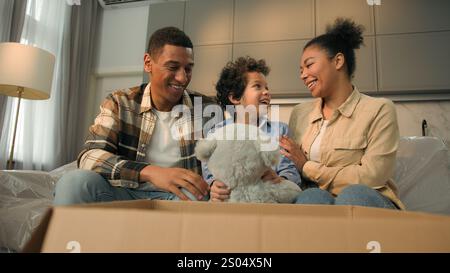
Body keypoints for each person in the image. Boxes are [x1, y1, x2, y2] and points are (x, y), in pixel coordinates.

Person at [54, 27, 218, 205]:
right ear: (148, 63)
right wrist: (150, 172)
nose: (182, 77)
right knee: (73, 183)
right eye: (173, 67)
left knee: (197, 195)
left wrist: (217, 182)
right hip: (124, 191)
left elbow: (222, 162)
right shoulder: (119, 102)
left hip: (178, 197)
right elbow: (89, 156)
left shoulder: (207, 108)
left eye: (188, 69)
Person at [279, 18, 405, 209]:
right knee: (310, 197)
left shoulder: (379, 109)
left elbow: (372, 176)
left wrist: (307, 167)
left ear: (338, 61)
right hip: (318, 199)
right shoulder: (300, 113)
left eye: (309, 65)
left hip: (369, 199)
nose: (303, 75)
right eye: (301, 70)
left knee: (353, 194)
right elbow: (292, 170)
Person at [205, 56, 302, 202]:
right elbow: (209, 173)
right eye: (258, 86)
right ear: (235, 98)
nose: (266, 92)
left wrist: (280, 179)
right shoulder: (215, 133)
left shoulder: (280, 131)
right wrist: (213, 185)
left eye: (267, 87)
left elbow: (291, 173)